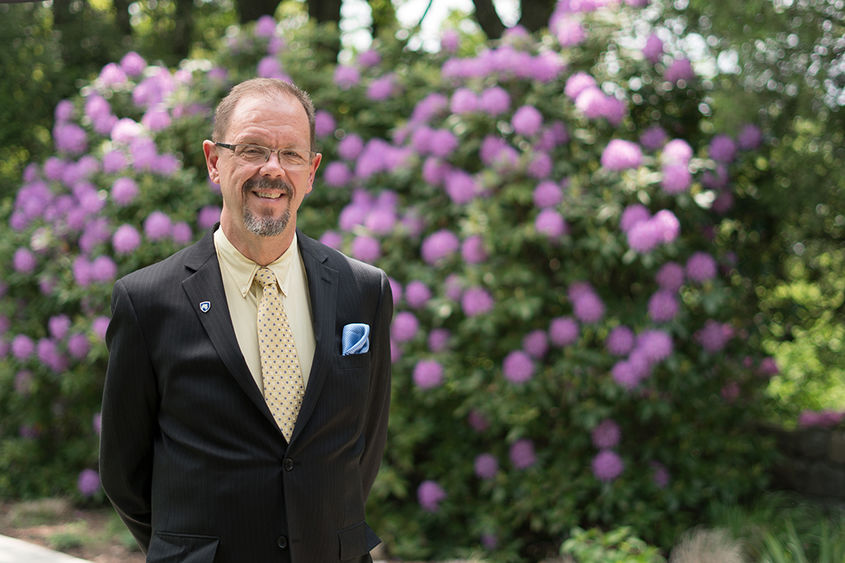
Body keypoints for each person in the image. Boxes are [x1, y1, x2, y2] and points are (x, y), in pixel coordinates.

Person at [99, 77, 393, 563]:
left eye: (291, 154)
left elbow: (364, 447)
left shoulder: (364, 292)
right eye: (253, 149)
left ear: (312, 170)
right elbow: (123, 474)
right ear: (215, 161)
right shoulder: (146, 302)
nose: (272, 170)